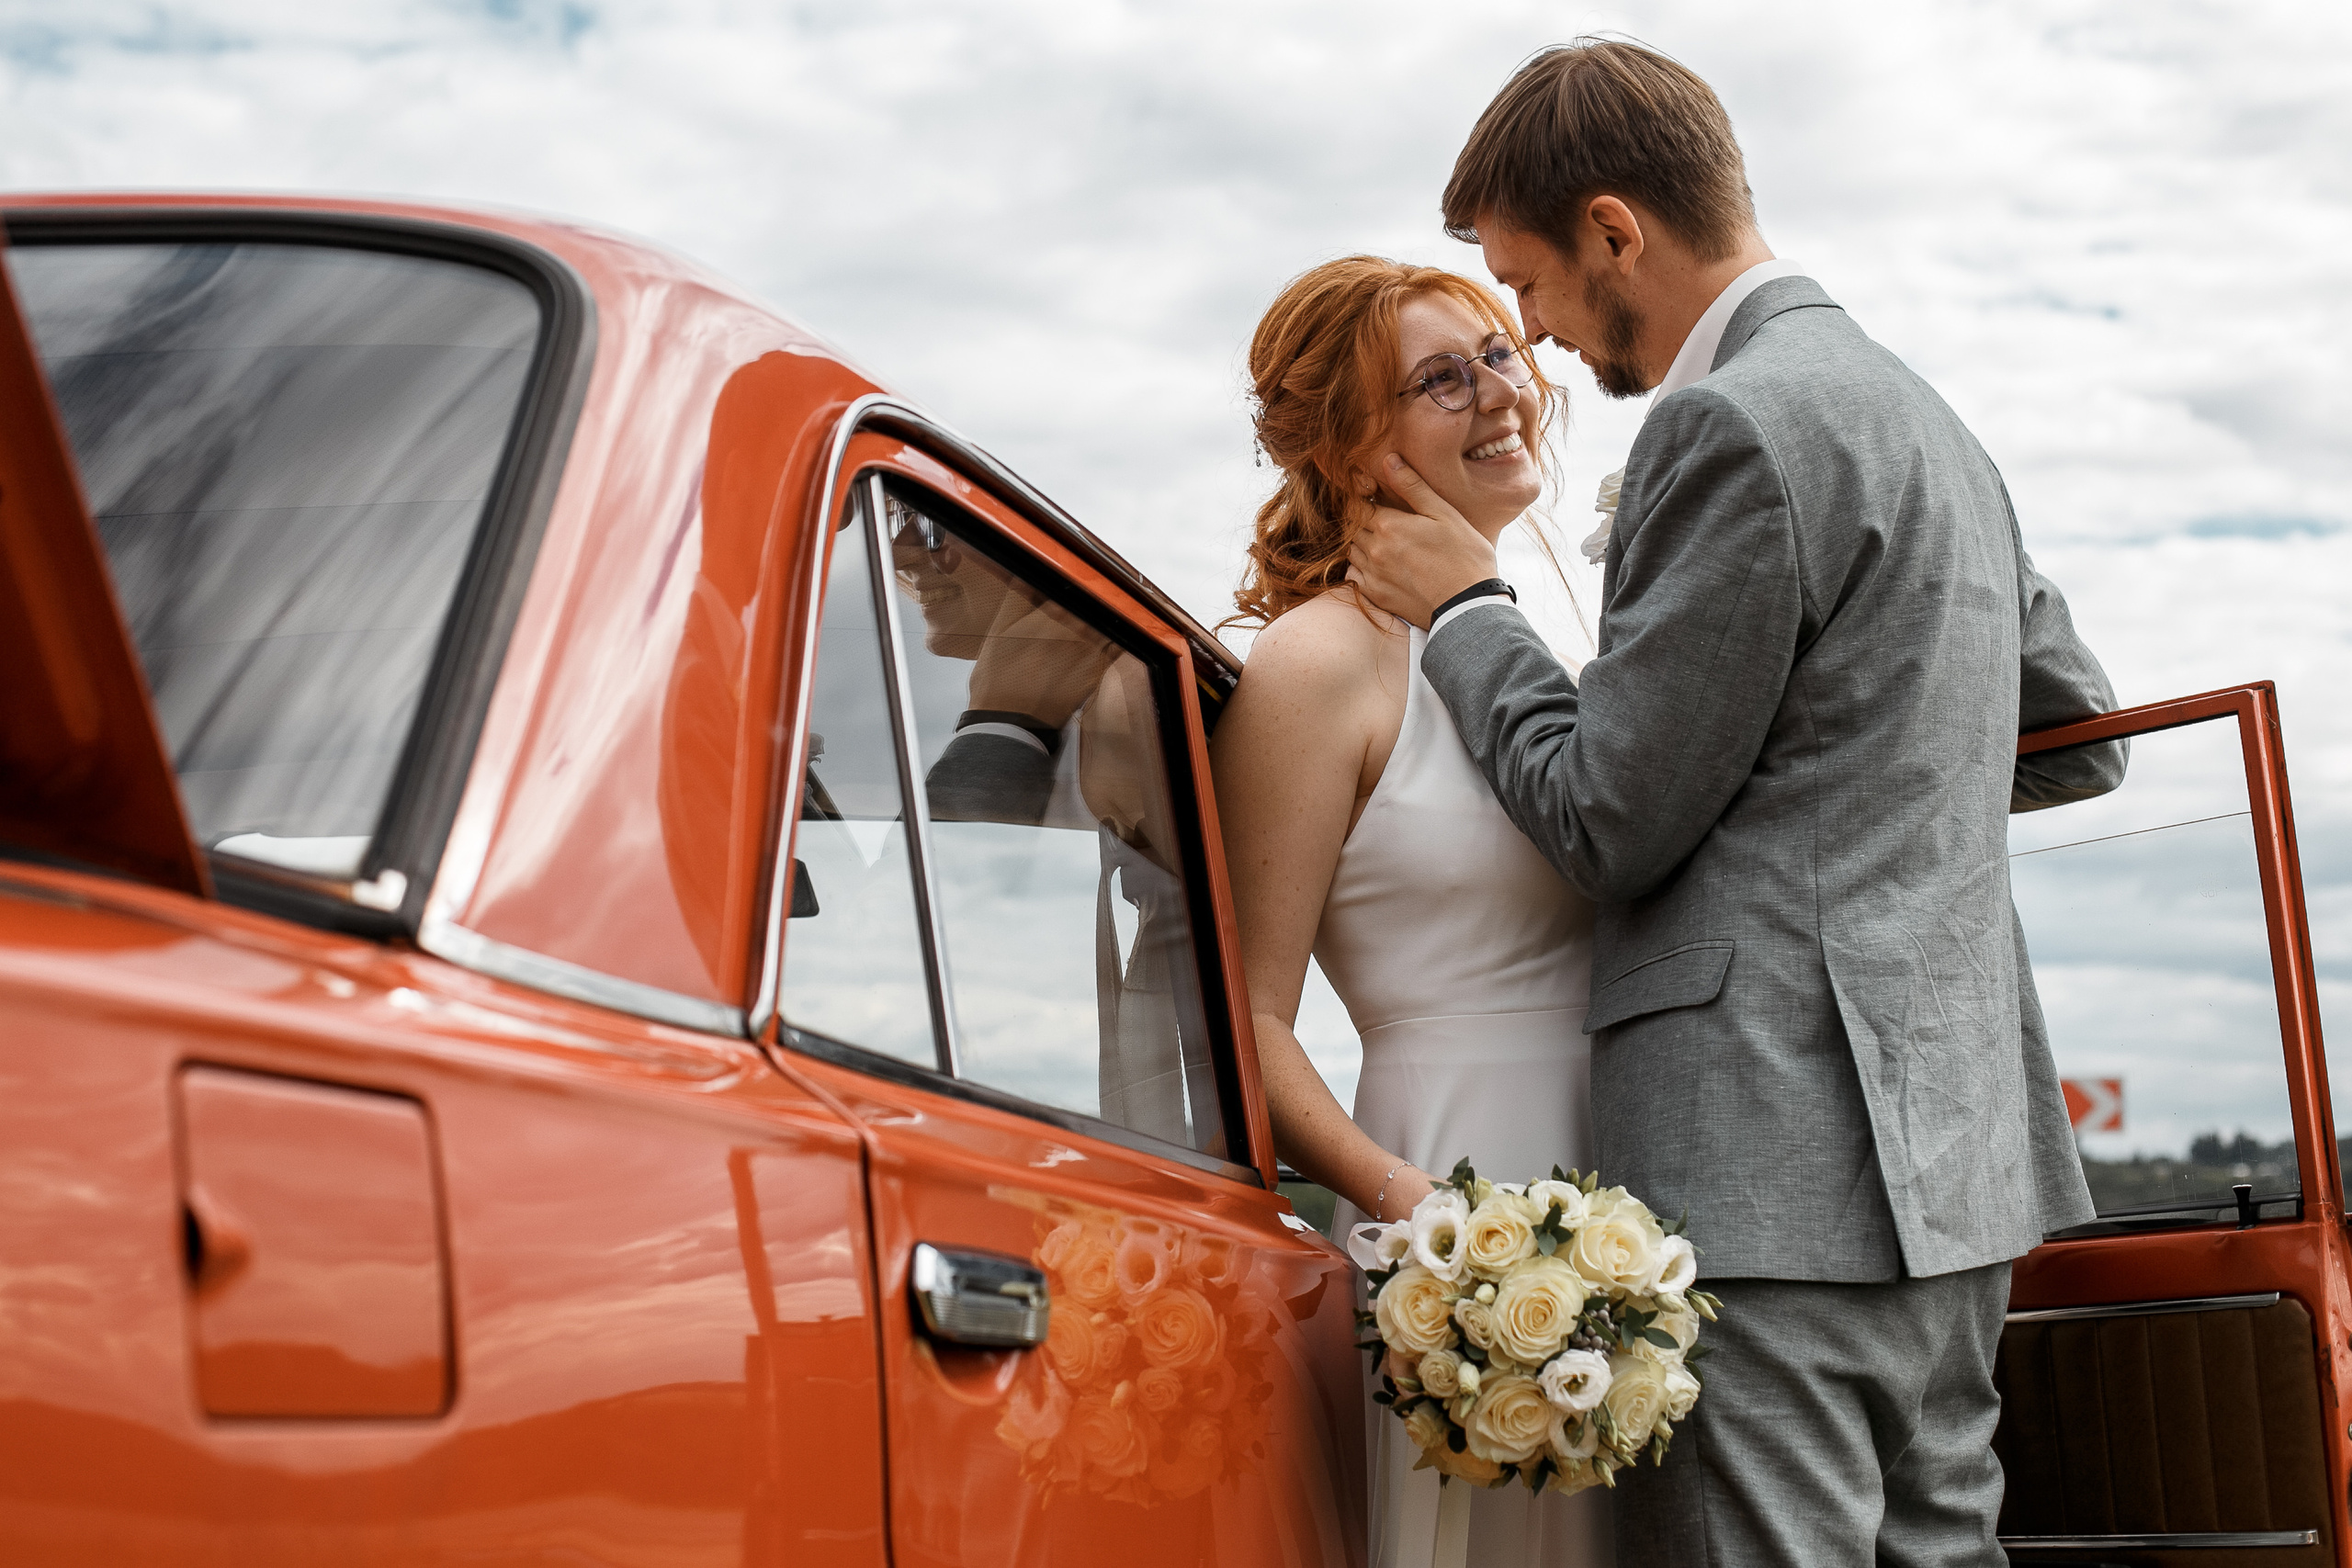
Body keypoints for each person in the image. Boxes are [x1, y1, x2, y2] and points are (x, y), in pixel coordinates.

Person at [1344, 39, 2128, 1568]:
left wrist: (1469, 612)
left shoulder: (1728, 428)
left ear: (1613, 231)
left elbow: (1605, 817)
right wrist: (1854, 780)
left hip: (1766, 1172)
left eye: (1532, 285)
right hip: (1959, 1179)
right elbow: (2079, 733)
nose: (1537, 335)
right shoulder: (1931, 424)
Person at [1210, 256, 1611, 1566]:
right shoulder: (1318, 662)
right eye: (1442, 379)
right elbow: (1250, 1023)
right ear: (1347, 445)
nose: (1500, 393)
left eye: (1499, 354)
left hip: (1622, 1181)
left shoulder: (1524, 648)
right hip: (1453, 1186)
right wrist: (1424, 1215)